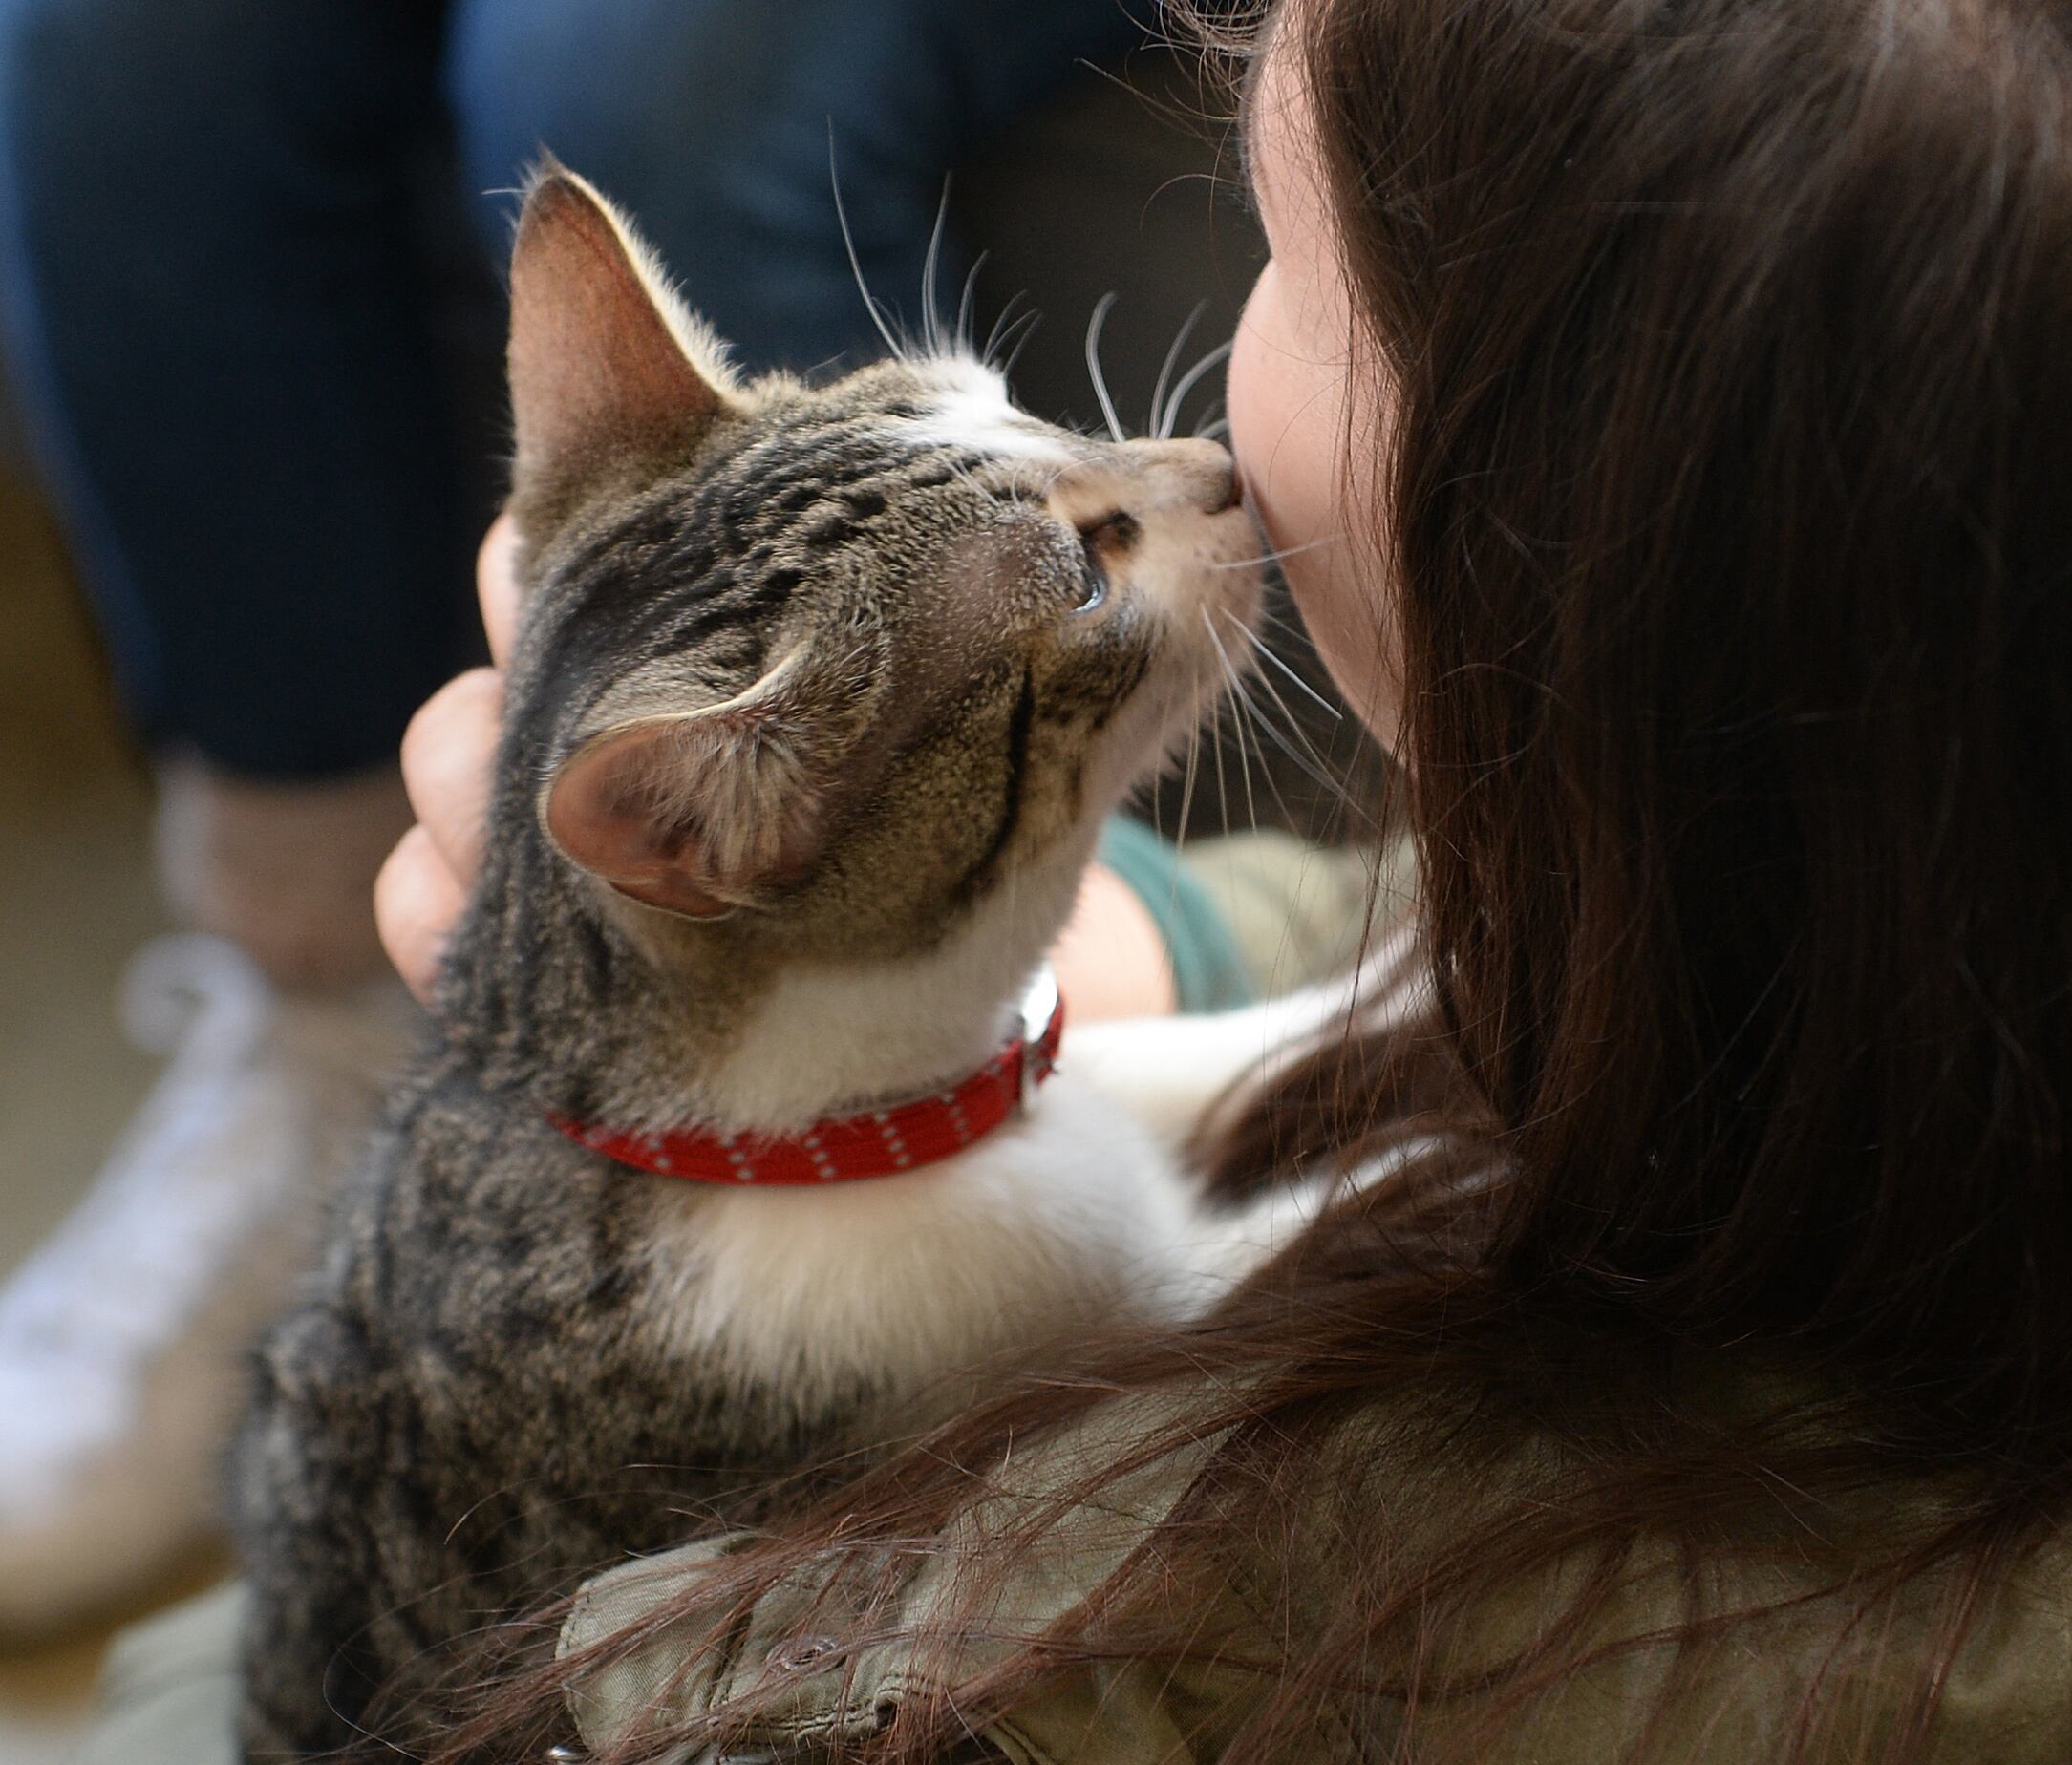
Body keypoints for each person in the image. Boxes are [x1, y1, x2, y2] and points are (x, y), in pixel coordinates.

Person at [84, 0, 2072, 1755]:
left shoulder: (1166, 1632)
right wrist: (1153, 949)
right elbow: (1468, 928)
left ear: (1587, 580)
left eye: (1287, 258)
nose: (1204, 427)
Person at [0, 0, 1299, 1639]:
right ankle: (310, 995)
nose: (1193, 463)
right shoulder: (909, 1305)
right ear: (722, 835)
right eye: (1093, 554)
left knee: (636, 75)